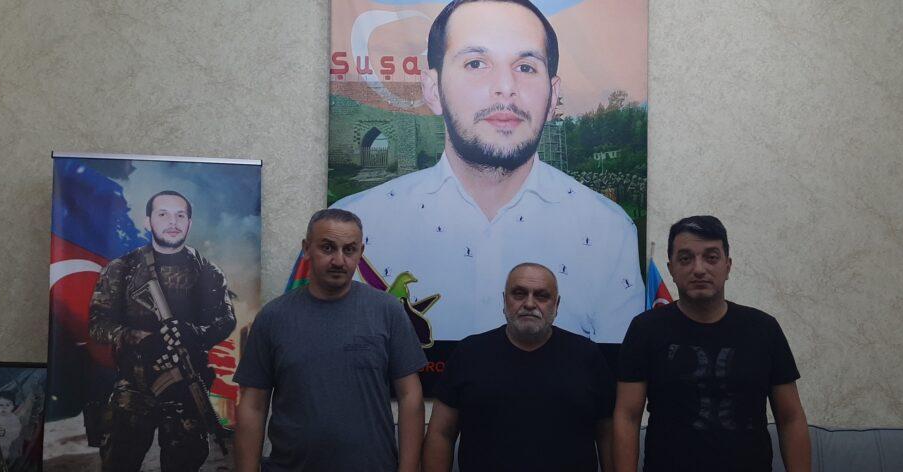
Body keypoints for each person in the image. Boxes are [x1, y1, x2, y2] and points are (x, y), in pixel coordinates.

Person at [332, 0, 643, 343]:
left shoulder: (609, 232)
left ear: (553, 95)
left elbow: (621, 369)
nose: (505, 86)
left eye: (525, 67)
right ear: (433, 90)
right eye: (476, 63)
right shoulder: (362, 227)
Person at [233, 209, 427, 472]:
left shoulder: (387, 311)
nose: (339, 260)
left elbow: (410, 396)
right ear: (306, 249)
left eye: (349, 250)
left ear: (360, 252)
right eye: (327, 248)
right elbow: (253, 405)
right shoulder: (273, 317)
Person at [613, 216, 811, 472]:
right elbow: (627, 417)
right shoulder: (645, 329)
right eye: (686, 258)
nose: (699, 269)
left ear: (728, 266)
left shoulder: (764, 329)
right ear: (671, 268)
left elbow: (791, 418)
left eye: (711, 257)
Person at [89, 190, 236, 472]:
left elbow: (225, 321)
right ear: (148, 221)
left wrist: (194, 333)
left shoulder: (207, 271)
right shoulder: (122, 269)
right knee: (119, 462)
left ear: (190, 222)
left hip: (185, 386)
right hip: (134, 387)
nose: (173, 222)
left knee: (184, 462)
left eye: (180, 215)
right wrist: (138, 338)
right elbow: (97, 324)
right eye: (163, 214)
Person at [423, 262, 615, 472]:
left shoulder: (587, 356)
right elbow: (441, 433)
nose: (529, 303)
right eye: (519, 294)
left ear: (557, 305)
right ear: (504, 300)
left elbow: (607, 435)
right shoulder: (469, 353)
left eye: (542, 296)